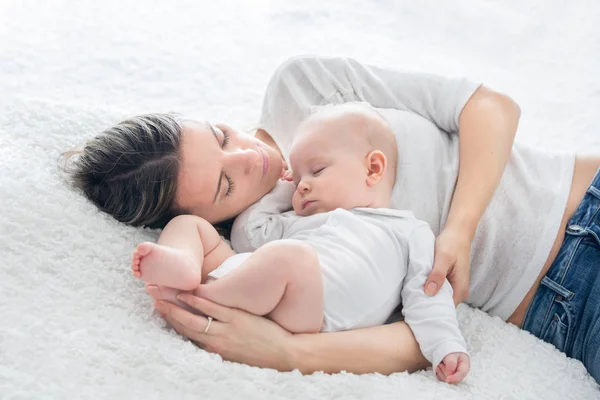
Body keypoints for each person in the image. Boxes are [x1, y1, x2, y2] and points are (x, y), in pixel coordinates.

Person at [62, 55, 600, 383]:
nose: (251, 158)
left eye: (221, 136)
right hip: (563, 313)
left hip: (583, 191)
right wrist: (291, 353)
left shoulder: (304, 88)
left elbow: (491, 107)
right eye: (227, 185)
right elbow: (421, 334)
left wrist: (458, 229)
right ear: (206, 219)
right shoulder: (265, 252)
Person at [129, 103, 469, 383]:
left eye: (316, 171)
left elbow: (430, 296)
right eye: (297, 175)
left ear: (373, 168)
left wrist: (447, 346)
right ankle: (183, 263)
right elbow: (249, 234)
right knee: (190, 224)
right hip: (257, 283)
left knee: (292, 258)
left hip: (311, 312)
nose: (301, 185)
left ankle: (198, 301)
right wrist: (283, 188)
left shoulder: (412, 232)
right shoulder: (299, 222)